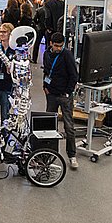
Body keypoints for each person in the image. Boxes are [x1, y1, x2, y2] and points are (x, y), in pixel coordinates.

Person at [43, 33, 79, 169]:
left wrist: (68, 92)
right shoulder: (46, 54)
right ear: (51, 43)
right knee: (49, 125)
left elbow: (73, 75)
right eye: (56, 46)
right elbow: (46, 72)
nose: (59, 48)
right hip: (51, 94)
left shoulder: (67, 55)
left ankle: (72, 155)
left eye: (61, 46)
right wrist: (45, 87)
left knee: (69, 127)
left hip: (64, 95)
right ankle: (50, 154)